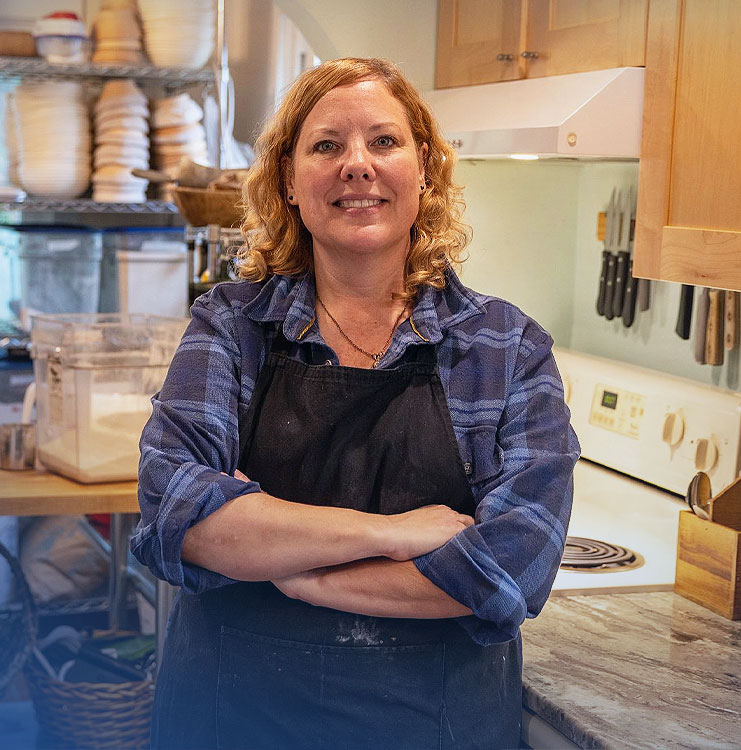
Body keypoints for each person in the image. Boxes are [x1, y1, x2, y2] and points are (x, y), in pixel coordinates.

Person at [133, 57, 579, 749]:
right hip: (233, 722)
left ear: (423, 166)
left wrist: (294, 570)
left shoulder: (504, 348)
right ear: (288, 178)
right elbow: (175, 514)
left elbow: (509, 568)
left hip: (432, 729)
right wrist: (393, 534)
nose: (357, 166)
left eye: (384, 141)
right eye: (326, 145)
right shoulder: (232, 325)